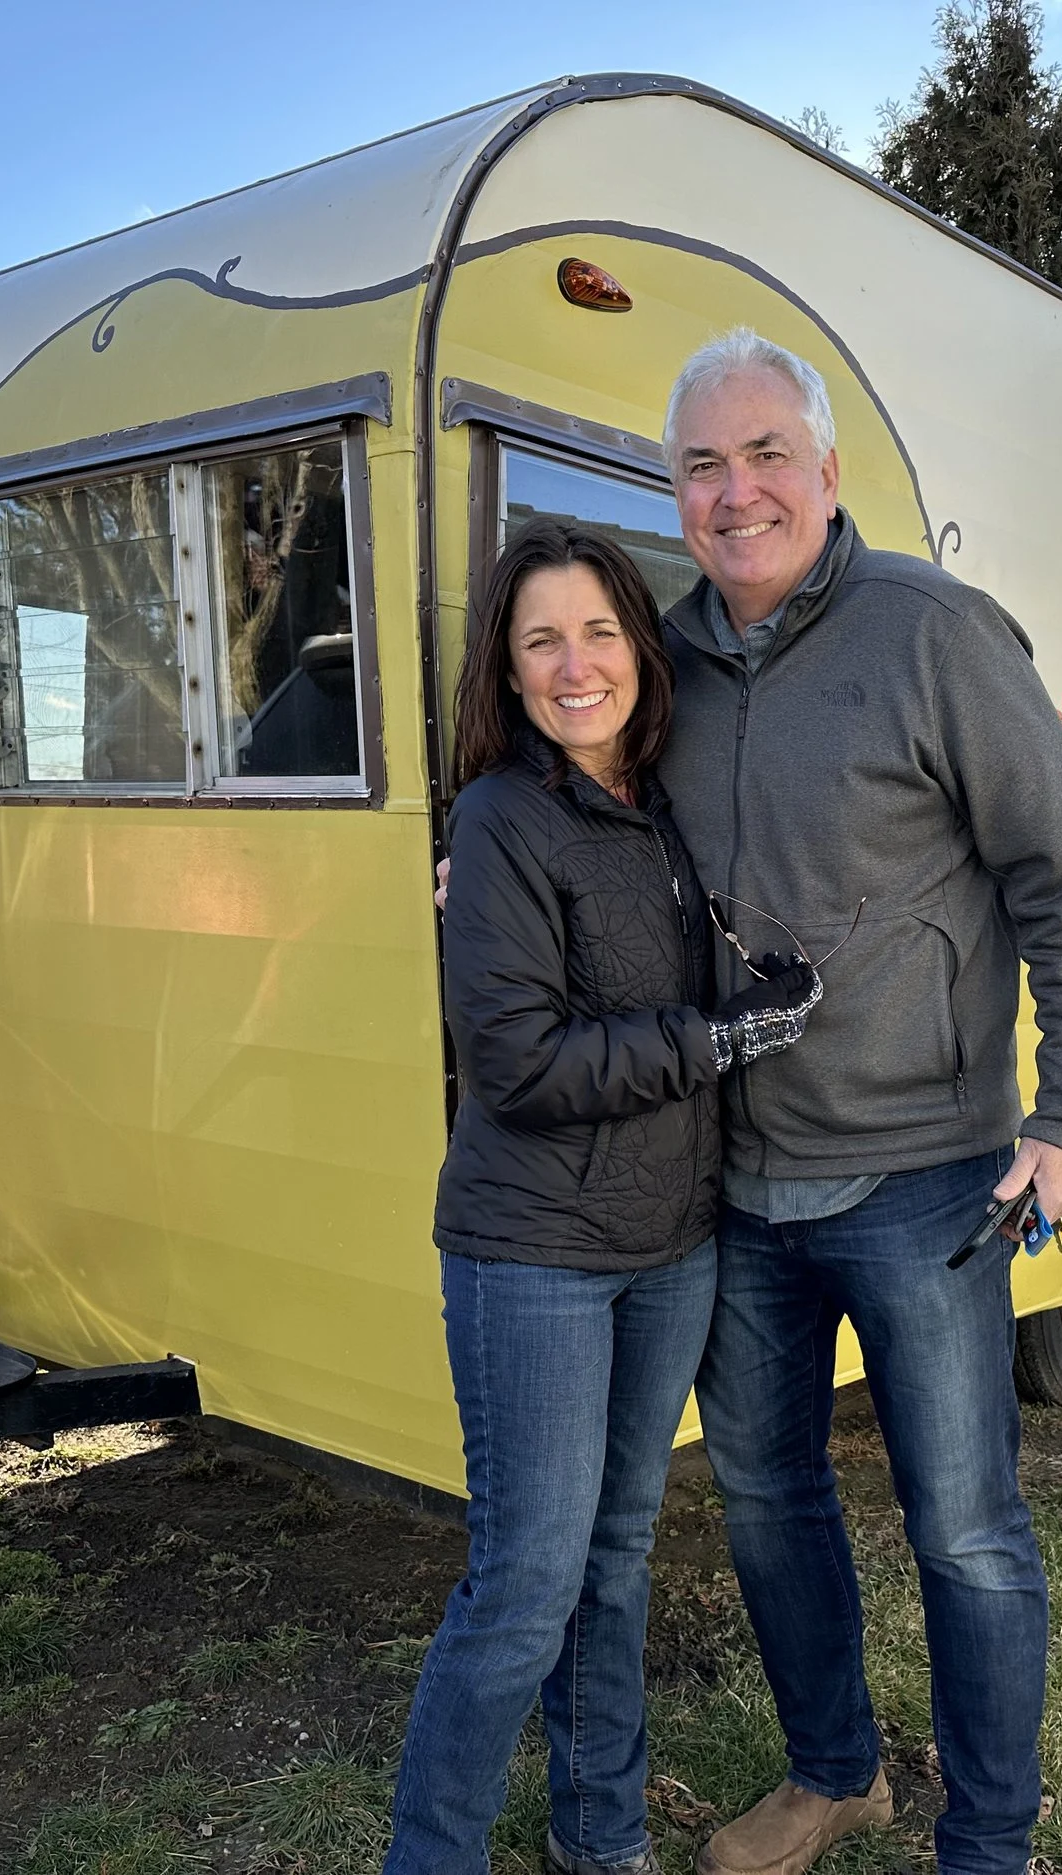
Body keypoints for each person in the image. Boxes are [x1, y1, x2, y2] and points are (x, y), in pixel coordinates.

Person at [656, 331, 1062, 1875]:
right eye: (702, 466)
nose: (737, 494)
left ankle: (987, 1837)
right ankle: (835, 1771)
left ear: (827, 469)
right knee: (766, 1496)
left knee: (968, 1531)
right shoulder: (660, 666)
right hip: (737, 1182)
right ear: (676, 493)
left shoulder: (934, 633)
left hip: (928, 1181)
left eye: (765, 455)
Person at [387, 520, 822, 1875]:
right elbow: (514, 1065)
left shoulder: (661, 806)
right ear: (507, 676)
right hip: (539, 1256)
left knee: (617, 1556)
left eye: (596, 632)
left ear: (640, 642)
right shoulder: (504, 818)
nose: (575, 665)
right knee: (523, 1583)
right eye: (540, 641)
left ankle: (604, 1836)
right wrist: (717, 1039)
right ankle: (432, 1855)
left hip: (670, 1241)